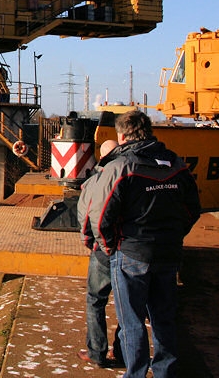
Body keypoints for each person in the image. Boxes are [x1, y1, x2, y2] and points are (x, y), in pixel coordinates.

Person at [89, 110, 201, 378]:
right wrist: (173, 235)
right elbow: (193, 209)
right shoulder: (176, 164)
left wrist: (110, 246)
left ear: (123, 135)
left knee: (132, 322)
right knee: (163, 318)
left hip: (131, 254)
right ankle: (165, 372)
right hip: (168, 252)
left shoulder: (120, 167)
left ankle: (135, 373)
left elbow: (100, 216)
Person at [77, 138, 123, 369]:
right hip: (131, 250)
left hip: (104, 250)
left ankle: (97, 352)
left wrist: (93, 243)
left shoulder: (97, 179)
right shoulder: (133, 173)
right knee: (128, 305)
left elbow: (86, 217)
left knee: (96, 300)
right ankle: (123, 352)